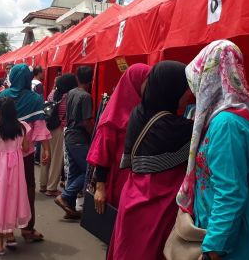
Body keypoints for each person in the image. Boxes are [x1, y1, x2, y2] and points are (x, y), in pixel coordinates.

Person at [176, 40, 249, 260]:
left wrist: (211, 251)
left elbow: (231, 194)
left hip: (237, 243)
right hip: (232, 234)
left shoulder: (226, 124)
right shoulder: (233, 116)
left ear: (211, 76)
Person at [107, 61, 193, 260]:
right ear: (170, 89)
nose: (189, 93)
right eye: (185, 88)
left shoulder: (139, 112)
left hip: (132, 198)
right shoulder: (173, 127)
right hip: (155, 208)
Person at [0, 63, 51, 242]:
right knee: (28, 189)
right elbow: (40, 126)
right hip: (25, 154)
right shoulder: (35, 99)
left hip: (3, 154)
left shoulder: (2, 95)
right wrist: (47, 148)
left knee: (4, 190)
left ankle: (5, 228)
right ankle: (28, 228)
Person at [87, 63, 151, 212]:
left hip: (137, 181)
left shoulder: (144, 109)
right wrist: (100, 187)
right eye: (147, 82)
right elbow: (102, 155)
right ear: (135, 81)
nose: (151, 86)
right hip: (118, 180)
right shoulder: (112, 117)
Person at [0, 97, 32, 255]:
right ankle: (10, 236)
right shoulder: (22, 127)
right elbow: (25, 148)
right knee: (12, 198)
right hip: (16, 168)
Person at [54, 65, 94, 219]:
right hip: (79, 138)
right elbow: (86, 121)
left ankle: (69, 205)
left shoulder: (71, 92)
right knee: (88, 172)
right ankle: (66, 197)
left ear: (77, 78)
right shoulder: (86, 96)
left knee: (75, 171)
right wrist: (94, 135)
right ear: (91, 80)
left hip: (69, 135)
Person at [40, 73, 78, 197]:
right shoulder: (69, 96)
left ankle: (43, 184)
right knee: (56, 159)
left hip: (47, 128)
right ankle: (51, 188)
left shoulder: (52, 94)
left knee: (45, 156)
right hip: (59, 129)